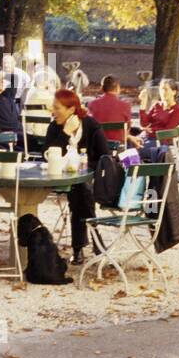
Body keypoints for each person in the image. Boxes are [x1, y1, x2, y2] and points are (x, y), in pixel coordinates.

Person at [43, 89, 110, 265]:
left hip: (92, 178)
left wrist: (85, 168)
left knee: (81, 191)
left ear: (71, 109)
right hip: (61, 179)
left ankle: (79, 248)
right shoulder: (55, 127)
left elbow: (105, 157)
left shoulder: (90, 125)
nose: (53, 111)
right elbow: (48, 154)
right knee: (80, 192)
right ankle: (95, 240)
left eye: (57, 108)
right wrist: (65, 133)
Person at [129, 77, 179, 147]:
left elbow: (167, 131)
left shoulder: (177, 110)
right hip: (145, 136)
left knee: (134, 149)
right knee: (127, 146)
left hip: (159, 141)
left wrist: (150, 129)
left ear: (174, 92)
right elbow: (144, 123)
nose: (163, 92)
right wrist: (143, 103)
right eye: (161, 89)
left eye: (166, 89)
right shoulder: (157, 105)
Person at [87, 75, 132, 143]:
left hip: (97, 143)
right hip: (118, 144)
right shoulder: (126, 105)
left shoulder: (92, 104)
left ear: (102, 88)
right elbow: (128, 127)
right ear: (117, 88)